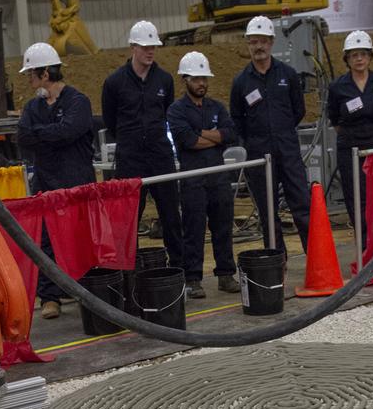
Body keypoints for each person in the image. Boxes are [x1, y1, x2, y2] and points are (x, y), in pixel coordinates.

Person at [17, 41, 95, 320]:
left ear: (45, 73)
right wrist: (51, 133)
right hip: (46, 184)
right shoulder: (33, 107)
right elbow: (24, 137)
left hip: (76, 183)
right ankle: (50, 297)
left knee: (80, 239)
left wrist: (43, 134)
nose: (28, 80)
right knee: (46, 241)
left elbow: (69, 132)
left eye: (31, 74)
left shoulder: (78, 102)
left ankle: (88, 293)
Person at [101, 20, 182, 268]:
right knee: (129, 218)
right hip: (130, 158)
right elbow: (110, 120)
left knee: (170, 214)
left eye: (153, 47)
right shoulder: (115, 82)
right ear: (133, 47)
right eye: (145, 47)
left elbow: (168, 111)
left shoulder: (164, 80)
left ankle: (180, 268)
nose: (150, 52)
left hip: (160, 156)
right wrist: (132, 140)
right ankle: (128, 270)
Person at [229, 15, 310, 254]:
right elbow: (237, 119)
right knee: (267, 211)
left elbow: (299, 110)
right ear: (248, 45)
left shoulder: (287, 74)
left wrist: (282, 132)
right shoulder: (241, 82)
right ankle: (277, 260)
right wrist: (254, 141)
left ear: (272, 42)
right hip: (259, 154)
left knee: (302, 205)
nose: (259, 47)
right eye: (253, 42)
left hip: (288, 150)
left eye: (263, 41)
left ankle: (314, 257)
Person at [166, 52, 240, 299]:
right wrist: (213, 136)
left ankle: (226, 274)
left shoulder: (217, 107)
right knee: (194, 229)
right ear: (185, 79)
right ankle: (193, 278)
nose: (202, 84)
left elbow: (230, 134)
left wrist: (202, 133)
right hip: (193, 179)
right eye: (197, 79)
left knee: (223, 226)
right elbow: (188, 141)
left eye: (204, 78)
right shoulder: (176, 110)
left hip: (218, 177)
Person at [327, 30, 373, 246]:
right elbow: (335, 118)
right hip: (350, 148)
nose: (359, 59)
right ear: (347, 58)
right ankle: (364, 243)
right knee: (357, 197)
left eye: (363, 54)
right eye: (354, 55)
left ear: (370, 56)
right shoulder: (338, 87)